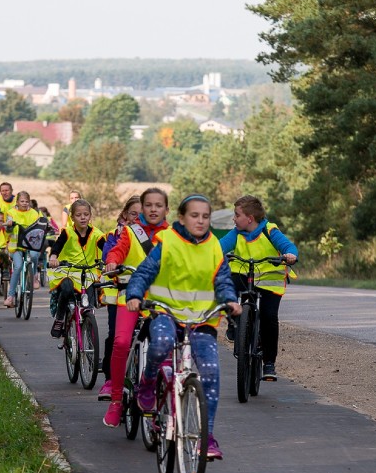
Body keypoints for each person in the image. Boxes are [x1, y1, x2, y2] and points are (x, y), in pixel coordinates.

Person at [124, 194, 241, 459]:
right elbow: (144, 273)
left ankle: (205, 438)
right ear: (181, 218)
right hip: (166, 313)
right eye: (194, 215)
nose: (200, 221)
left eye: (205, 216)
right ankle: (148, 382)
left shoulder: (214, 247)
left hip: (202, 319)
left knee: (211, 372)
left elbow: (222, 281)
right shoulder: (167, 242)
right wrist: (134, 295)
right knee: (162, 344)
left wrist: (231, 301)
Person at [100, 188, 170, 424]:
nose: (152, 209)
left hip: (160, 300)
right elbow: (118, 251)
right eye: (148, 205)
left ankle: (161, 396)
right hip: (129, 296)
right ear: (142, 208)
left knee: (166, 346)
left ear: (166, 210)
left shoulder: (174, 235)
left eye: (157, 205)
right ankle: (117, 400)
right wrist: (112, 262)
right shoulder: (130, 232)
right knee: (121, 342)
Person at [219, 195, 298, 381]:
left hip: (270, 278)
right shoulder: (236, 233)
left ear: (250, 218)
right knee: (225, 286)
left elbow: (288, 246)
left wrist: (290, 255)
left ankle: (269, 363)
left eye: (236, 215)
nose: (234, 218)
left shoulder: (270, 230)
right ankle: (233, 323)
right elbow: (218, 247)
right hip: (244, 274)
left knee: (269, 317)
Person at [97, 195, 142, 401]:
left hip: (146, 294)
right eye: (134, 214)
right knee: (116, 336)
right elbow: (110, 254)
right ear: (125, 214)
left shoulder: (154, 235)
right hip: (119, 292)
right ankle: (110, 380)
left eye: (141, 214)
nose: (138, 218)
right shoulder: (114, 235)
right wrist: (112, 264)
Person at [47, 199, 105, 338]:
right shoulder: (67, 232)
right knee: (66, 288)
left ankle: (89, 325)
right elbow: (57, 246)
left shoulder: (97, 234)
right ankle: (60, 318)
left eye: (86, 214)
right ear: (72, 217)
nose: (83, 217)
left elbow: (107, 249)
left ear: (90, 216)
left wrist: (112, 261)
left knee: (89, 303)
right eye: (79, 215)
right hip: (67, 270)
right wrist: (54, 257)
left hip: (88, 272)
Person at [5, 191, 42, 308]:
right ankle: (10, 296)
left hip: (30, 244)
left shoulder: (34, 213)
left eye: (27, 201)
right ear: (17, 202)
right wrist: (9, 225)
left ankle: (35, 275)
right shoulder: (11, 212)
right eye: (22, 201)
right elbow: (8, 231)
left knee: (35, 255)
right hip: (15, 246)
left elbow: (40, 224)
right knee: (18, 266)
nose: (25, 203)